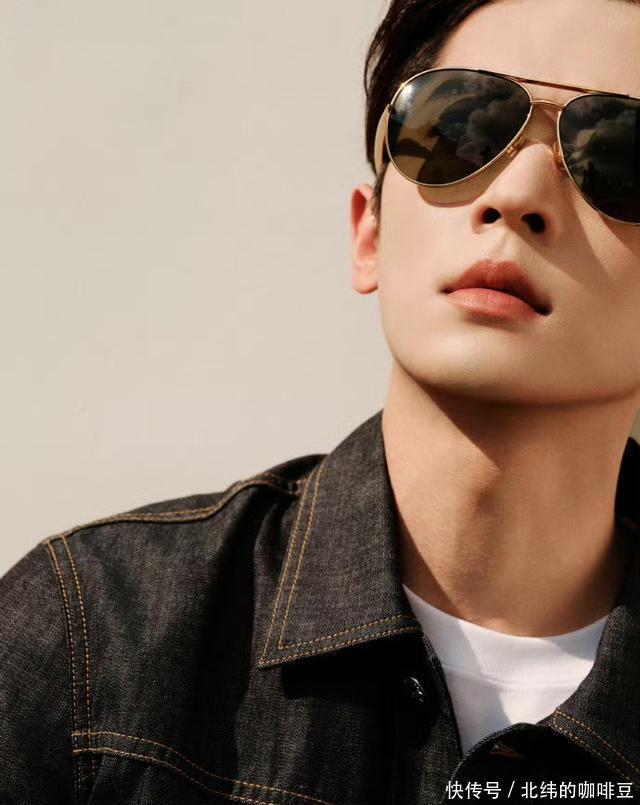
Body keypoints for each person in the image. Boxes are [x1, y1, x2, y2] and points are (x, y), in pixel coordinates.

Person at [2, 0, 640, 802]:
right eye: (458, 124)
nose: (517, 195)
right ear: (370, 233)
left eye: (617, 152)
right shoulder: (93, 641)